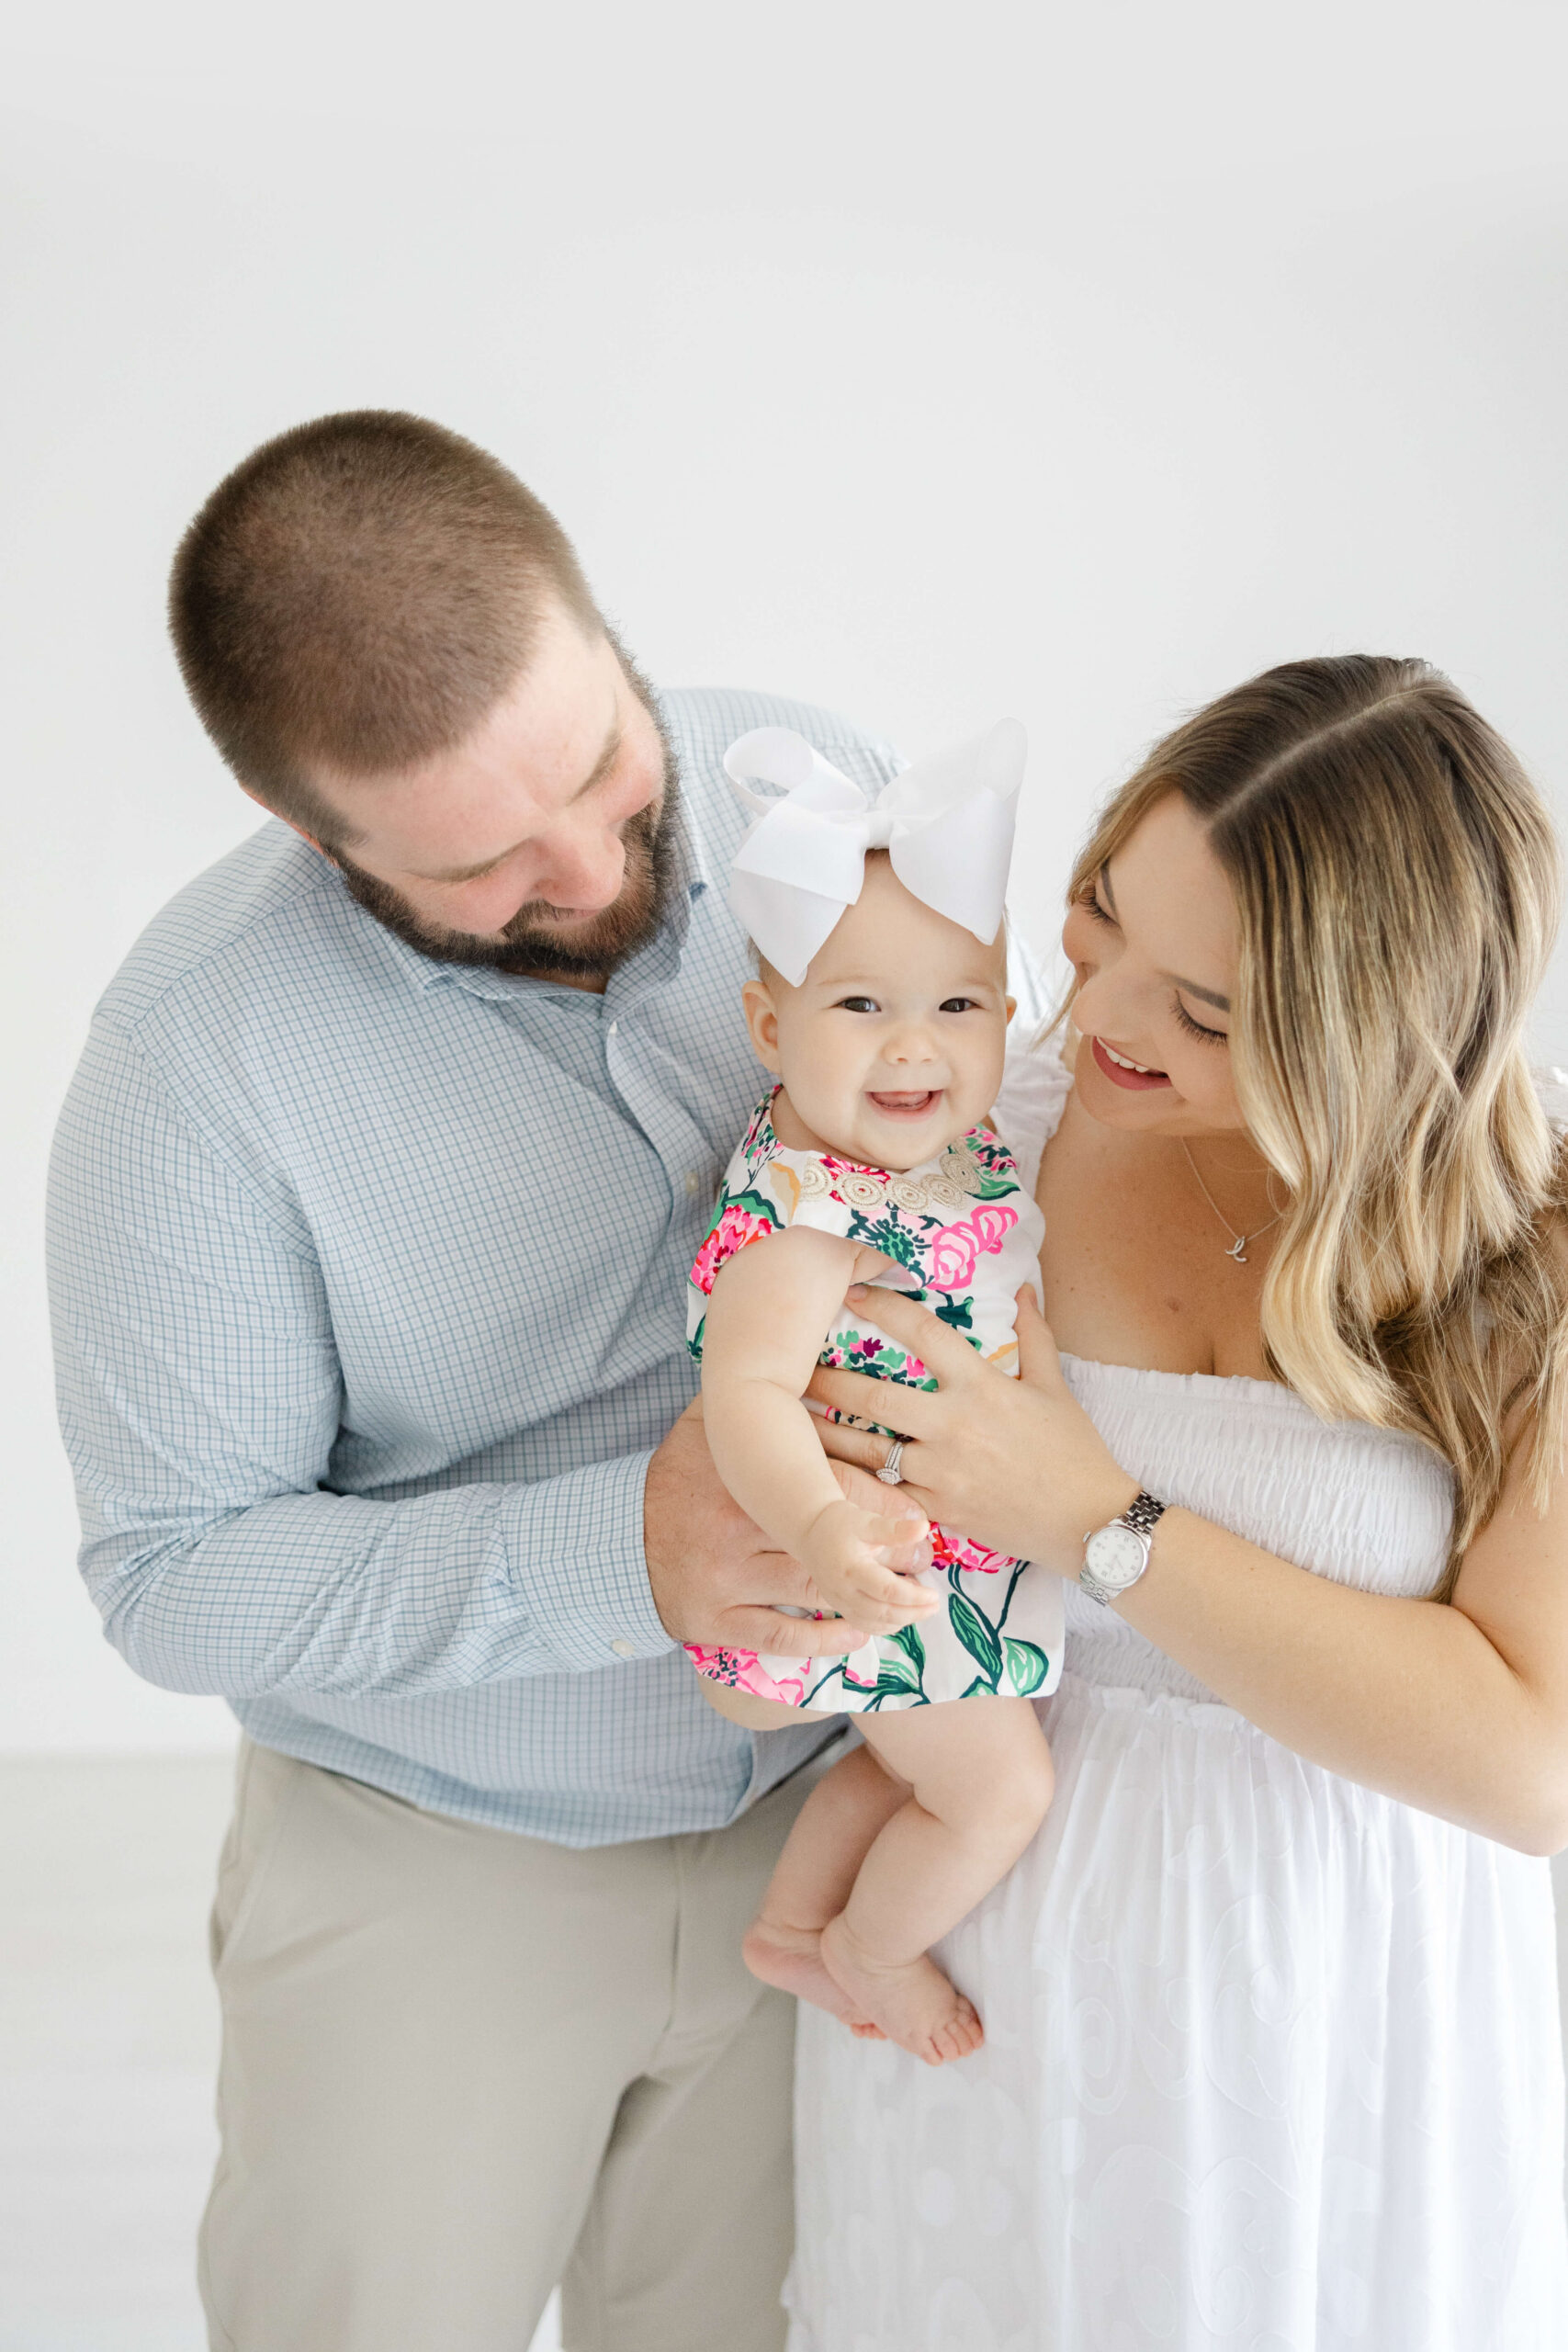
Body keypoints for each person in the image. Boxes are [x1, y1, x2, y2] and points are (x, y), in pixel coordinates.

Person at [46, 410, 1038, 2352]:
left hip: (838, 1797)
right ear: (321, 838)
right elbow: (167, 1574)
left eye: (598, 765)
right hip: (433, 1874)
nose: (592, 868)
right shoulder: (192, 1068)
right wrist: (625, 1550)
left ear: (595, 626)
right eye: (485, 864)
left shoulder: (805, 784)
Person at [786, 656, 1568, 2350]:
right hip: (993, 1946)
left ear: (1377, 1025)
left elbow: (1527, 1762)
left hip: (1357, 1992)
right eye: (1095, 921)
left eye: (1206, 1009)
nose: (1105, 1019)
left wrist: (1095, 1514)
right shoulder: (974, 1150)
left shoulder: (1531, 1251)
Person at [684, 723, 1063, 2066]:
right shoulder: (805, 1211)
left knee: (902, 1760)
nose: (915, 1047)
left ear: (1007, 1018)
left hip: (930, 1552)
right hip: (861, 1555)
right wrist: (820, 1529)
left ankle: (791, 1924)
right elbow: (748, 1395)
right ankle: (867, 1949)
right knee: (997, 1794)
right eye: (860, 1007)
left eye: (957, 1006)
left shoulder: (948, 1148)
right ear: (768, 1026)